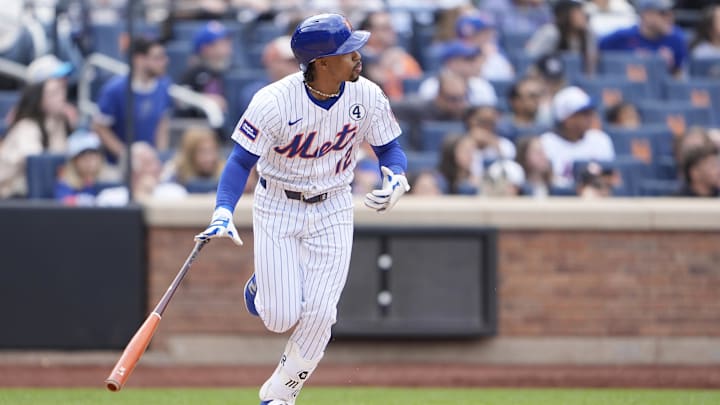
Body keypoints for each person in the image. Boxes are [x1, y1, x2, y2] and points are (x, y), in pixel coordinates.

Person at [193, 14, 410, 405]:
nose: (357, 56)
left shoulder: (368, 96)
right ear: (322, 62)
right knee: (278, 317)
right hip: (278, 203)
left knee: (322, 313)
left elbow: (389, 148)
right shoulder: (273, 101)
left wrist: (395, 176)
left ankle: (281, 393)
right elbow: (240, 161)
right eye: (347, 52)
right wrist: (223, 210)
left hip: (334, 203)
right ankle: (263, 284)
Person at [0, 62, 73, 198]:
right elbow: (39, 167)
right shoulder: (27, 127)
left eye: (63, 89)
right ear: (38, 96)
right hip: (12, 200)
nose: (62, 97)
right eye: (54, 92)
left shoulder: (59, 122)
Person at [94, 37, 172, 162]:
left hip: (150, 164)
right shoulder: (114, 90)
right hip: (117, 164)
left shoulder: (164, 86)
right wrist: (124, 154)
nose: (165, 61)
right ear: (139, 60)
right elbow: (100, 127)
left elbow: (162, 123)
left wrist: (159, 156)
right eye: (158, 58)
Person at [540, 86, 615, 187]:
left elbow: (610, 179)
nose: (590, 117)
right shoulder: (546, 143)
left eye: (590, 112)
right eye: (584, 114)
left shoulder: (600, 139)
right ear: (567, 119)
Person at [598, 0, 687, 78]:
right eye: (663, 13)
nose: (670, 17)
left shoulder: (676, 38)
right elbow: (596, 52)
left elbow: (678, 76)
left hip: (659, 93)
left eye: (671, 12)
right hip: (628, 93)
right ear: (646, 15)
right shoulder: (622, 36)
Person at [358, 10, 423, 100]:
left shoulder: (400, 54)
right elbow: (377, 81)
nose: (391, 32)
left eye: (391, 27)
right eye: (385, 28)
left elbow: (417, 81)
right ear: (369, 32)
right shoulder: (360, 56)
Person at [177, 21, 234, 118]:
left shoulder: (230, 70)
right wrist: (205, 101)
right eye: (222, 43)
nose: (228, 47)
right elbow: (180, 100)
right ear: (206, 48)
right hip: (198, 127)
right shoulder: (192, 73)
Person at [526, 0, 598, 75]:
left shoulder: (588, 34)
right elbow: (531, 59)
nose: (584, 16)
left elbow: (591, 67)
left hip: (576, 78)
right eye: (579, 13)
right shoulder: (551, 32)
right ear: (566, 15)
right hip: (549, 76)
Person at [454, 10, 514, 81]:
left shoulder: (495, 51)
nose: (489, 36)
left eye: (489, 32)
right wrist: (483, 58)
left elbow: (510, 75)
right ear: (472, 34)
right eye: (484, 32)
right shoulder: (457, 51)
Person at [55, 129, 110, 205]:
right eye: (83, 155)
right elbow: (63, 203)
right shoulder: (65, 184)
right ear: (73, 161)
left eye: (93, 154)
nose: (89, 160)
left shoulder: (108, 180)